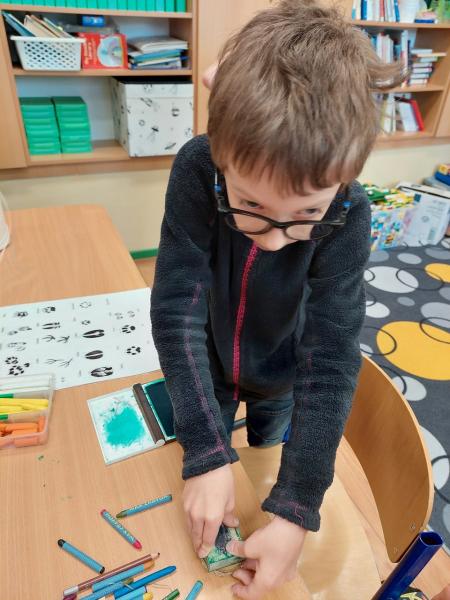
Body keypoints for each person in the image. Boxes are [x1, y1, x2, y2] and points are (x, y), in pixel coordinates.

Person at [150, 1, 406, 598]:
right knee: (212, 469)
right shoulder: (197, 168)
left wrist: (295, 509)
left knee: (266, 454)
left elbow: (331, 357)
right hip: (207, 365)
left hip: (286, 376)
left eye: (308, 213)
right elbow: (176, 309)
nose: (271, 239)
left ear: (343, 180)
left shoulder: (350, 211)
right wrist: (207, 452)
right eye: (250, 206)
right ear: (221, 155)